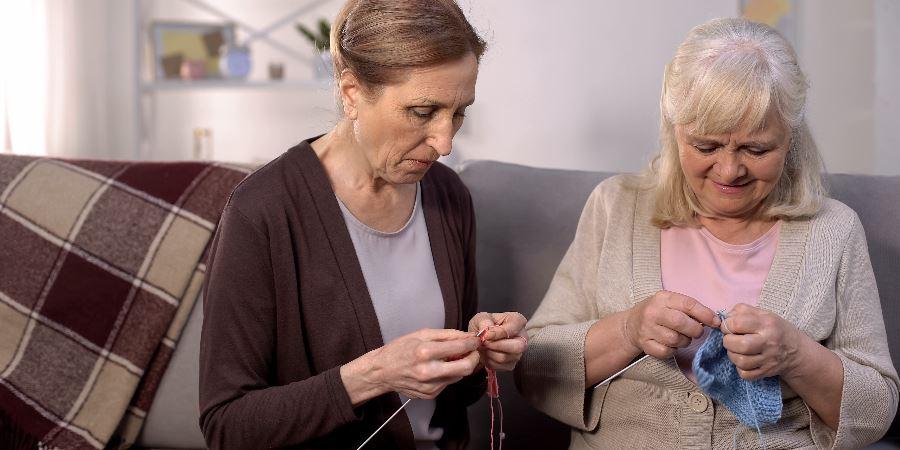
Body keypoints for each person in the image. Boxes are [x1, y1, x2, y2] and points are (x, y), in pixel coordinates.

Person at [515, 17, 898, 449]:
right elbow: (532, 367)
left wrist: (794, 354)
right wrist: (628, 331)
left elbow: (876, 410)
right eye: (706, 146)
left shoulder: (834, 230)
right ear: (673, 130)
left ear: (790, 138)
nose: (730, 170)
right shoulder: (615, 207)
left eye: (756, 149)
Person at [198, 1, 527, 449]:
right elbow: (227, 426)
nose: (445, 143)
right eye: (422, 111)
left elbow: (459, 397)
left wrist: (480, 351)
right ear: (351, 92)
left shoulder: (448, 196)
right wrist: (373, 375)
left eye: (459, 112)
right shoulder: (263, 210)